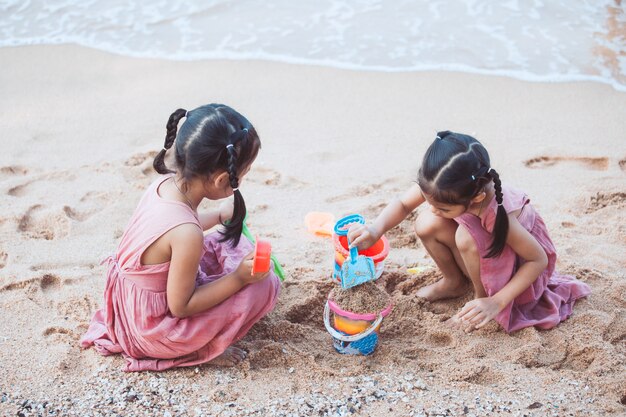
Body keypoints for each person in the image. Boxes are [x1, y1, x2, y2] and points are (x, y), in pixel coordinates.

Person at [80, 104, 280, 371]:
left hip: (130, 305)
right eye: (242, 173)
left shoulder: (163, 185)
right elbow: (181, 306)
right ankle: (202, 348)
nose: (242, 178)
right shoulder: (187, 234)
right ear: (222, 180)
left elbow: (173, 230)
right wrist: (238, 279)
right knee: (262, 285)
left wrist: (220, 215)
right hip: (154, 331)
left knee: (225, 240)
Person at [348, 131, 590, 333]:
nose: (434, 208)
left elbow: (538, 260)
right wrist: (374, 230)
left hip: (513, 265)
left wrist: (496, 302)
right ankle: (453, 282)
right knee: (425, 222)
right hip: (484, 246)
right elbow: (402, 204)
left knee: (465, 236)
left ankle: (479, 298)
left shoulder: (498, 215)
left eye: (443, 207)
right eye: (430, 199)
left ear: (476, 198)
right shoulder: (443, 182)